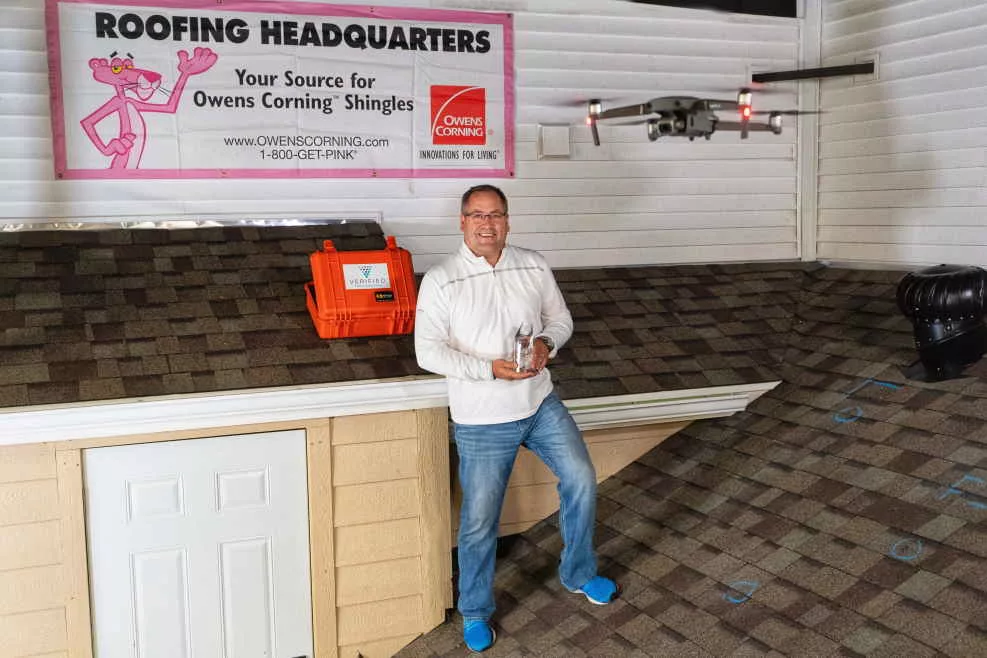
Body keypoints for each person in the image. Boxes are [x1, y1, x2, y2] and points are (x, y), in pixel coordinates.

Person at [414, 184, 619, 653]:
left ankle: (579, 572)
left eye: (497, 215)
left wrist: (548, 342)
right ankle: (475, 611)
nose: (488, 224)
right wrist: (488, 369)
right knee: (480, 521)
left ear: (508, 221)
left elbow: (561, 319)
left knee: (582, 478)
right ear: (462, 222)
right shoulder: (442, 279)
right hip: (482, 420)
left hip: (539, 404)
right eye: (477, 215)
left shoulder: (533, 264)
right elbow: (427, 351)